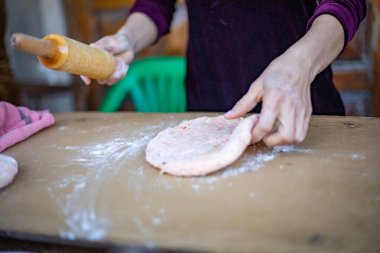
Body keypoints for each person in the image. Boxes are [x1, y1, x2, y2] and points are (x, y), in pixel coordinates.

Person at [81, 1, 366, 147]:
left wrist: (301, 63)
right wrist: (128, 38)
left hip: (299, 115)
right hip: (208, 118)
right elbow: (156, 4)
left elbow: (345, 3)